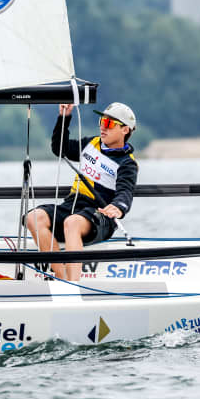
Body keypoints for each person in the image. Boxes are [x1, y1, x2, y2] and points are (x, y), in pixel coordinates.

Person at [24, 102, 139, 282]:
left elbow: (126, 191)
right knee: (33, 218)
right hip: (72, 206)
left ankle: (73, 284)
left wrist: (118, 207)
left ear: (125, 130)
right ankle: (62, 279)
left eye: (109, 124)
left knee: (72, 223)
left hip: (100, 215)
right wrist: (64, 117)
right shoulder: (90, 143)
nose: (103, 127)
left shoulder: (127, 163)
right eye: (102, 121)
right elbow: (59, 148)